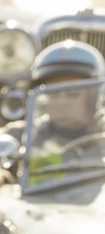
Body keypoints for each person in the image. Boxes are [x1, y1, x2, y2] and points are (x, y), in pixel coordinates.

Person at [25, 42, 105, 178]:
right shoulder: (28, 135)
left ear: (93, 97)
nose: (61, 103)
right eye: (53, 94)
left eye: (73, 94)